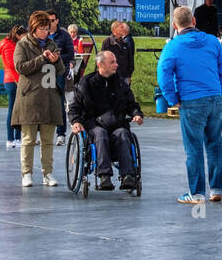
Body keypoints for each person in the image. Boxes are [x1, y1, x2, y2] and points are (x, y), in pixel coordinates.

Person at [157, 4, 222, 204]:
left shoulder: (172, 46)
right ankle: (216, 190)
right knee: (215, 144)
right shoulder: (212, 41)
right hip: (214, 98)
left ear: (174, 25)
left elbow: (164, 76)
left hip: (191, 100)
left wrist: (173, 99)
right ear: (194, 21)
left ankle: (197, 193)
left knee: (194, 148)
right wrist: (218, 90)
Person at [68, 50, 144, 191]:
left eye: (115, 61)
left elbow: (131, 104)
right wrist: (75, 121)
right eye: (112, 62)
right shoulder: (86, 83)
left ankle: (128, 175)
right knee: (100, 133)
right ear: (100, 64)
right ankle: (104, 176)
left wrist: (136, 114)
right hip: (94, 124)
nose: (116, 64)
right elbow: (74, 108)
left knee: (123, 133)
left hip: (116, 124)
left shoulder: (120, 83)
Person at [12, 11, 64, 187]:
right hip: (30, 98)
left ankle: (47, 173)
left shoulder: (52, 44)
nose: (46, 32)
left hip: (50, 97)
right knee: (28, 140)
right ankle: (26, 173)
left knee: (48, 140)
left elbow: (61, 70)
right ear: (33, 29)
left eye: (48, 29)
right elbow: (20, 67)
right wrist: (42, 58)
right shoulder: (23, 44)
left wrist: (56, 61)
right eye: (42, 29)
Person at [45, 10, 75, 146]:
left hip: (59, 72)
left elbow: (70, 55)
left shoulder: (64, 35)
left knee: (58, 102)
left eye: (52, 20)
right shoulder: (42, 34)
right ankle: (44, 133)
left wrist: (56, 58)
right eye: (47, 20)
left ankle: (61, 134)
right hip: (44, 72)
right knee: (44, 103)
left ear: (57, 21)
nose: (49, 23)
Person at [0, 24, 24, 148]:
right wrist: (20, 80)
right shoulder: (9, 45)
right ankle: (11, 138)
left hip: (14, 80)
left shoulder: (13, 44)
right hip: (13, 80)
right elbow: (12, 65)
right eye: (23, 36)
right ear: (17, 35)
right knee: (13, 110)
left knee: (17, 110)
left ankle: (17, 138)